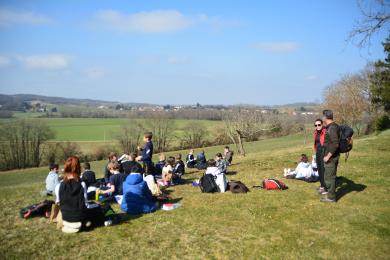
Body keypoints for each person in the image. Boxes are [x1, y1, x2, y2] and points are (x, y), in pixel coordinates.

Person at [55, 156, 106, 233]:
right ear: (78, 168)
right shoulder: (82, 184)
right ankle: (85, 223)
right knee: (98, 209)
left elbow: (58, 202)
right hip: (78, 216)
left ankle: (80, 224)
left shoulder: (59, 186)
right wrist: (95, 205)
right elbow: (85, 204)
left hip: (65, 216)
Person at [321, 109, 340, 203]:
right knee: (330, 177)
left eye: (322, 116)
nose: (322, 118)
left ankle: (331, 198)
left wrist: (328, 156)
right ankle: (330, 195)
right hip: (333, 156)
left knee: (329, 178)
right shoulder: (332, 126)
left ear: (325, 117)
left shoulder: (332, 128)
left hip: (331, 157)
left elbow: (335, 144)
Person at [313, 119, 326, 193]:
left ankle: (325, 187)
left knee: (323, 169)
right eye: (316, 125)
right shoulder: (315, 132)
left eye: (319, 125)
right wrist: (314, 154)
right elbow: (315, 144)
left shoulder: (325, 131)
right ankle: (322, 185)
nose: (317, 126)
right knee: (319, 169)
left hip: (323, 152)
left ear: (322, 124)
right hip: (318, 152)